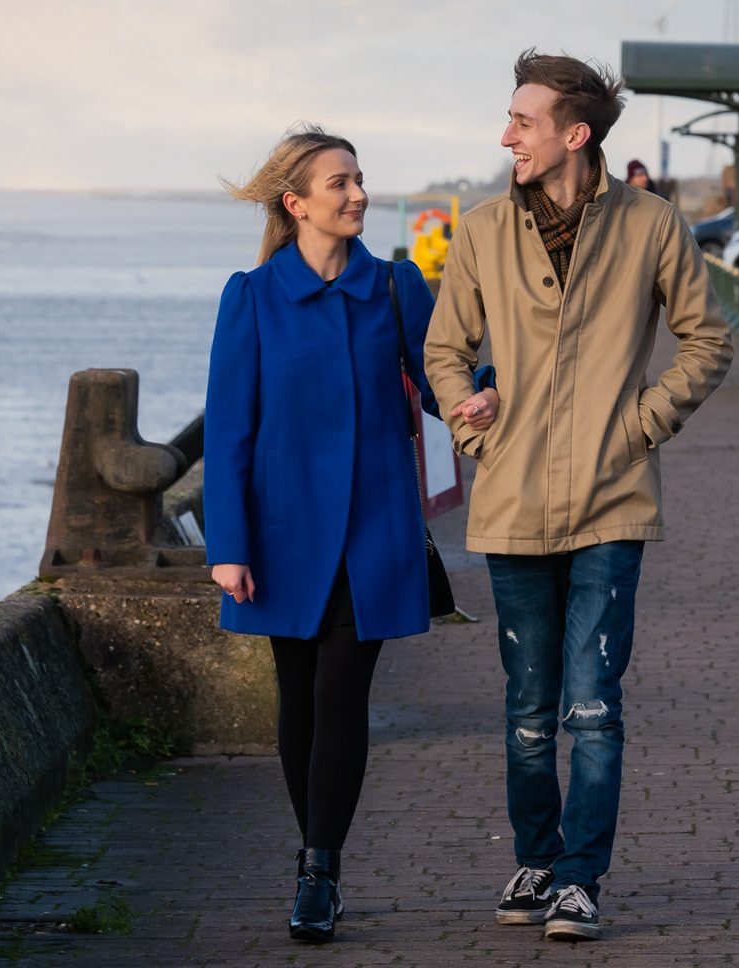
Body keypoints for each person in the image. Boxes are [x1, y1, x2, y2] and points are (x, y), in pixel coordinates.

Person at [424, 50, 732, 943]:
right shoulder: (483, 230)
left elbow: (706, 342)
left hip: (610, 499)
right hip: (514, 502)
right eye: (509, 118)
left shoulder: (651, 226)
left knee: (593, 704)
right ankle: (535, 858)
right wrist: (473, 426)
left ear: (574, 134)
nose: (506, 134)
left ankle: (580, 879)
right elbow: (445, 352)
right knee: (527, 709)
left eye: (522, 121)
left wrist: (641, 423)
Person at [204, 126, 491, 943]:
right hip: (279, 534)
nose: (358, 194)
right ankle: (312, 852)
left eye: (360, 179)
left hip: (373, 531)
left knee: (341, 696)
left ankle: (319, 870)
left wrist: (488, 393)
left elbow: (445, 381)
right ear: (297, 204)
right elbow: (228, 430)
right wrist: (228, 545)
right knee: (297, 701)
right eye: (340, 183)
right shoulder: (250, 297)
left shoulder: (397, 287)